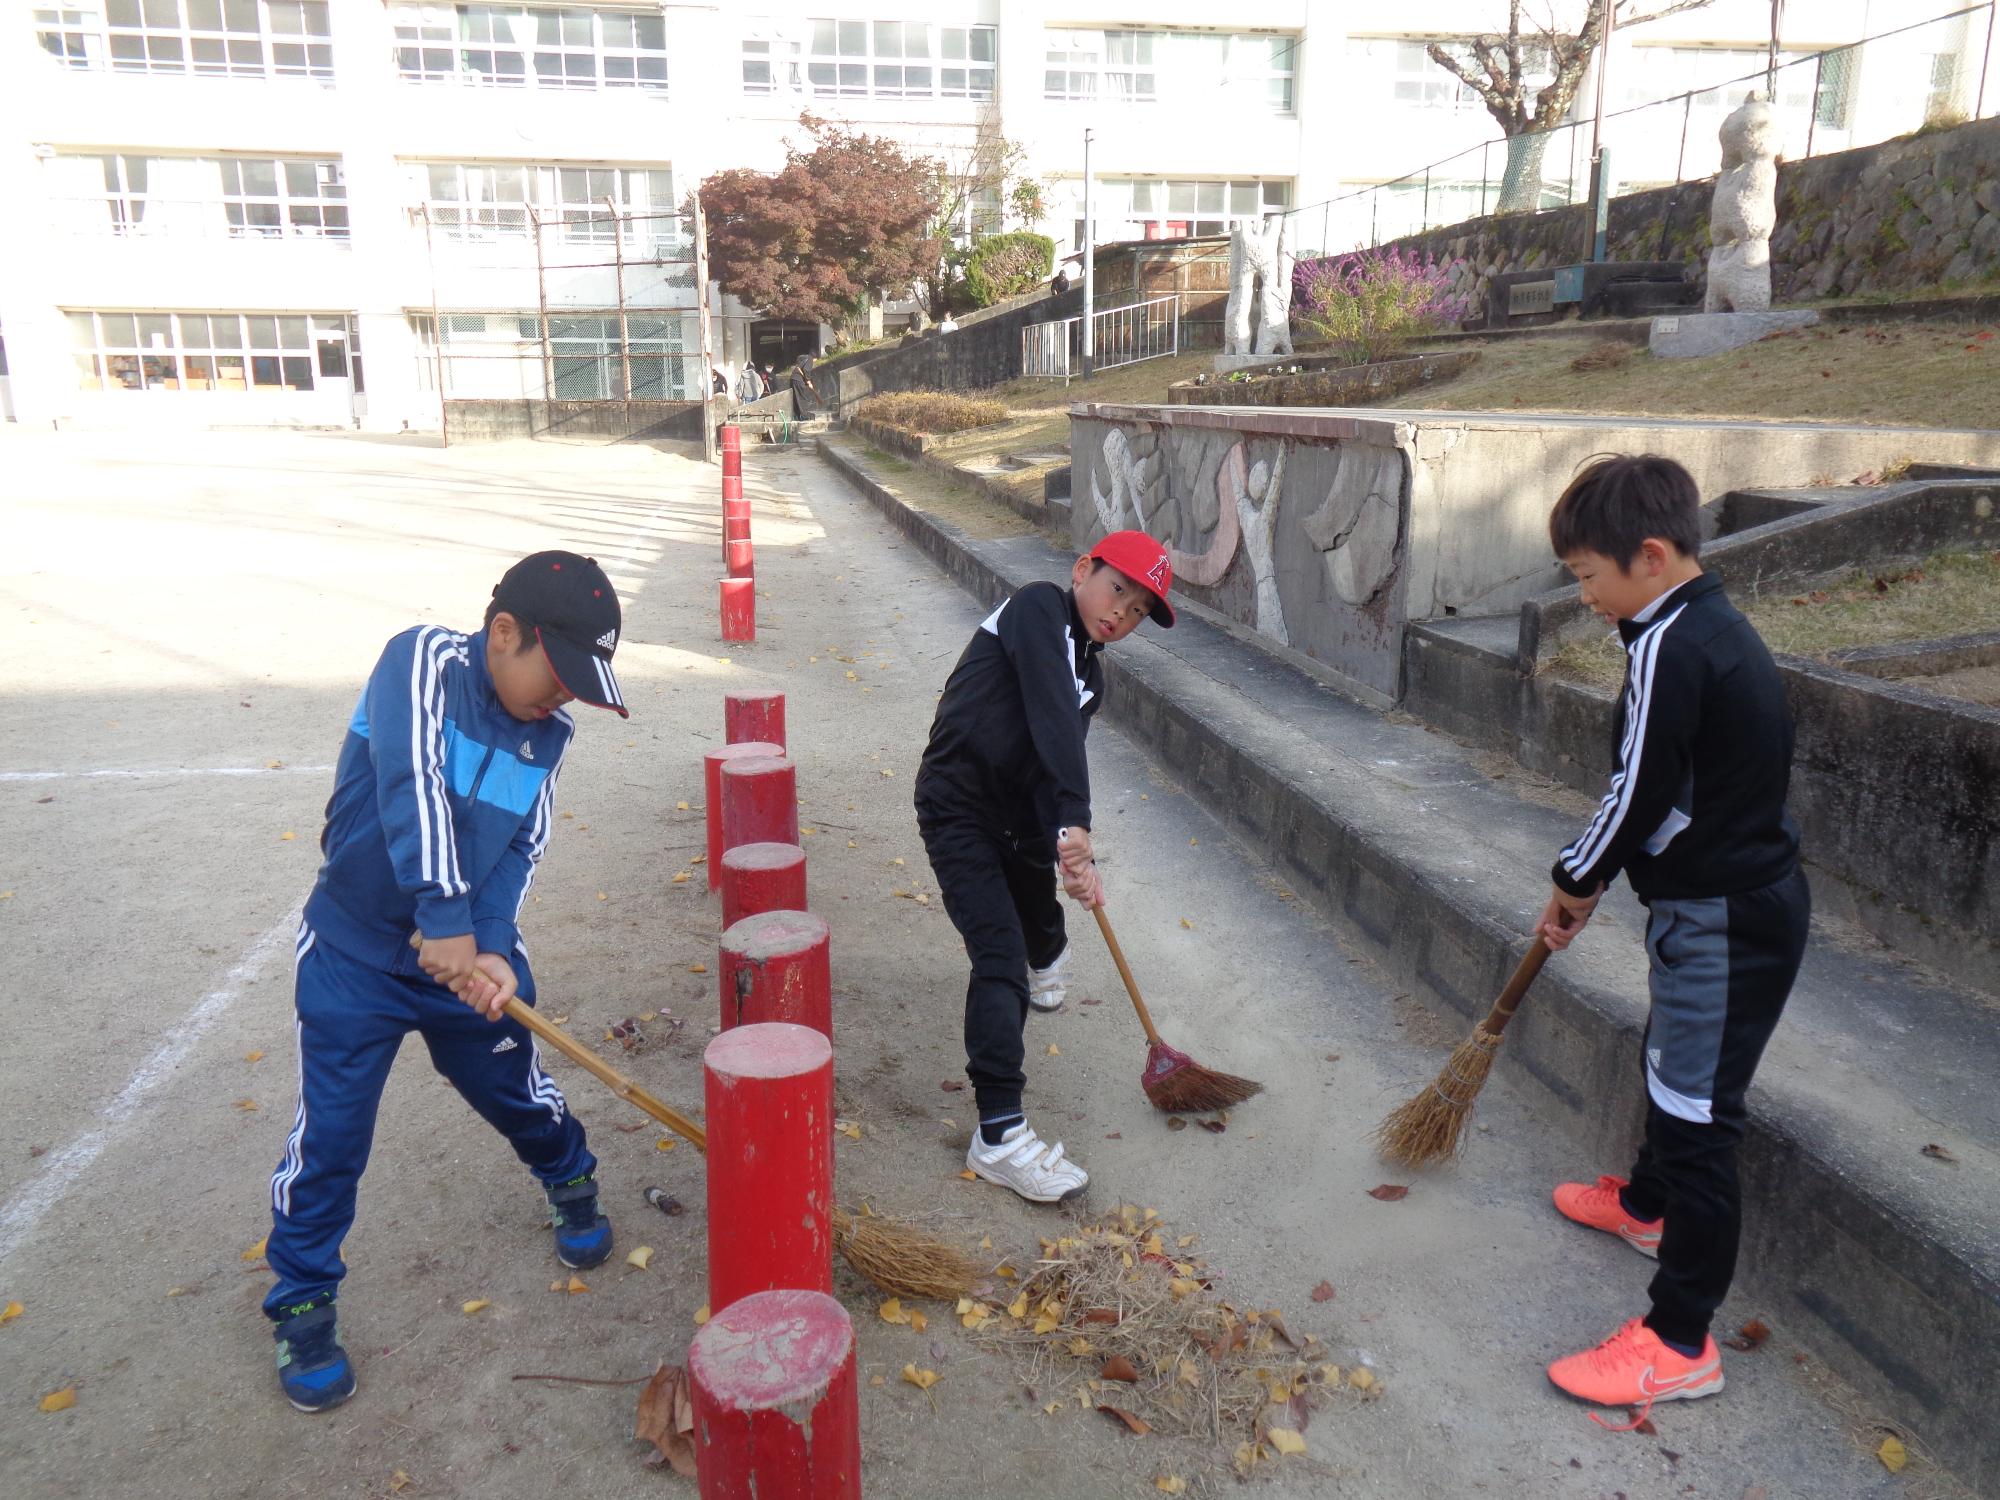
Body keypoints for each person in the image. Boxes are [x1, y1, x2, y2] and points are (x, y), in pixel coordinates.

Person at [261, 551, 631, 1414]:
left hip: (463, 963)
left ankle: (568, 1175)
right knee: (332, 1136)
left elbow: (521, 847)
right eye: (559, 674)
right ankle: (304, 1300)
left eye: (582, 684)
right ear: (504, 633)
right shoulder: (421, 660)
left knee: (516, 1088)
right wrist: (444, 916)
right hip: (353, 955)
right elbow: (412, 784)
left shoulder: (550, 736)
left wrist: (491, 945)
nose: (566, 697)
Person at [1534, 455, 1808, 1424]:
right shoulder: (1695, 624)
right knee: (1670, 1069)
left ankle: (1678, 1341)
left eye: (1584, 576)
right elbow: (1669, 789)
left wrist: (1573, 878)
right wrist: (1600, 872)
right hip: (1717, 904)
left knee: (1696, 1117)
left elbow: (1637, 787)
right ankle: (1645, 1212)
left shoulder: (1668, 647)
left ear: (1647, 557)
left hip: (1724, 919)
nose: (1582, 596)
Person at [914, 531, 1176, 1204]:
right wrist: (1075, 817)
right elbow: (1053, 716)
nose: (1122, 614)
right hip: (960, 807)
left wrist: (1065, 844)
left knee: (1040, 924)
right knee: (999, 958)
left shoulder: (1092, 675)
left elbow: (1047, 755)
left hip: (1017, 817)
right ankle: (998, 1133)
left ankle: (1049, 947)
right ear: (1083, 569)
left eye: (1140, 611)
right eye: (1118, 589)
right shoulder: (1036, 609)